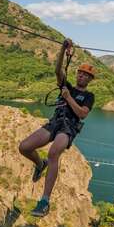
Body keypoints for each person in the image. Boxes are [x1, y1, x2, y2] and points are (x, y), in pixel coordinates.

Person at [18, 39, 96, 217]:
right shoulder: (66, 86)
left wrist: (68, 98)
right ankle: (40, 163)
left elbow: (82, 114)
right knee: (24, 147)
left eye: (86, 75)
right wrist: (62, 50)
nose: (82, 76)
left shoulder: (89, 96)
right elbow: (58, 71)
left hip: (68, 127)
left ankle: (44, 201)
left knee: (54, 152)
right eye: (80, 74)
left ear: (90, 79)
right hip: (55, 122)